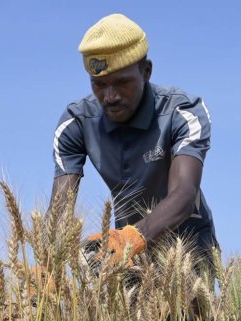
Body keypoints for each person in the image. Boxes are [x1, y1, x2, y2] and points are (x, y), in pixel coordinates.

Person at [49, 13, 218, 266]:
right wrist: (49, 262)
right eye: (99, 84)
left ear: (146, 71)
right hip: (126, 258)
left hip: (188, 253)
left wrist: (133, 237)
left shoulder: (183, 112)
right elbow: (60, 208)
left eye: (121, 82)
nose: (110, 96)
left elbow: (184, 194)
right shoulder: (75, 123)